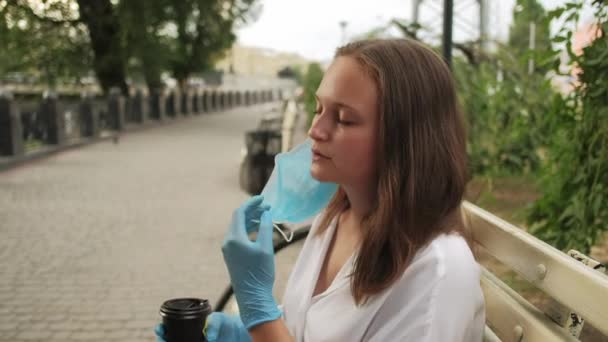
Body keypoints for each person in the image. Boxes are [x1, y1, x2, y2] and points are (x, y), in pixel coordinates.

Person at [156, 38, 485, 341]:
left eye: (342, 118)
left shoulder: (437, 274)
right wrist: (243, 335)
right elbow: (304, 329)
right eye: (318, 109)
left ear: (403, 140)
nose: (315, 130)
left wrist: (258, 312)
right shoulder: (335, 217)